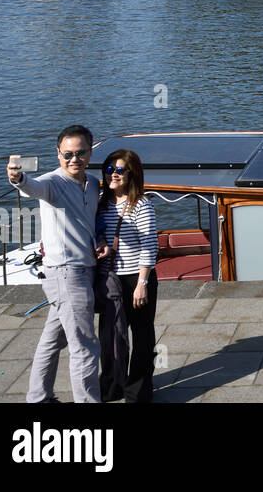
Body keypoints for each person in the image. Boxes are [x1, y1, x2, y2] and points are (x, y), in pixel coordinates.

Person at [7, 125, 104, 403]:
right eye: (67, 154)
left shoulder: (94, 184)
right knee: (84, 346)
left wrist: (98, 238)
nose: (74, 159)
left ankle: (38, 397)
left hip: (82, 271)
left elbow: (90, 221)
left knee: (53, 339)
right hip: (66, 274)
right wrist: (18, 177)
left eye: (81, 153)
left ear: (90, 151)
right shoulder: (52, 182)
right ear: (58, 154)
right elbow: (30, 186)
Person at [96, 150, 159, 402]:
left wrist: (142, 284)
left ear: (131, 173)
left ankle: (139, 392)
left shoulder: (141, 205)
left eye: (119, 170)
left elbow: (149, 245)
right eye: (109, 170)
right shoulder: (101, 203)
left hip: (136, 278)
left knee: (142, 335)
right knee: (109, 336)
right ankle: (112, 386)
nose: (113, 175)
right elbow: (95, 232)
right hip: (110, 279)